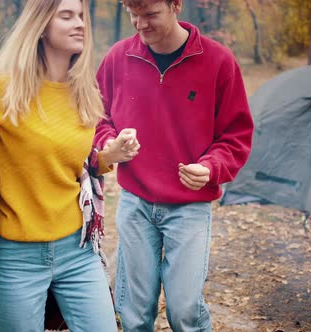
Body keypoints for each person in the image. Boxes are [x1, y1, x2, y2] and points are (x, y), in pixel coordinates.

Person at [0, 0, 139, 331]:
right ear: (41, 26)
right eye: (67, 16)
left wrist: (108, 157)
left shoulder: (84, 93)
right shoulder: (6, 91)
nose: (80, 24)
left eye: (82, 16)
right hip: (16, 259)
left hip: (78, 251)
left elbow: (72, 165)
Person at [94, 0, 254, 330]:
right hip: (135, 203)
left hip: (190, 208)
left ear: (176, 5)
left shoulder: (218, 61)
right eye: (133, 15)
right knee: (135, 313)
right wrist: (110, 144)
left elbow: (236, 135)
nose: (139, 24)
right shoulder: (117, 58)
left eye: (150, 14)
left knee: (185, 311)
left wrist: (211, 168)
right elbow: (97, 117)